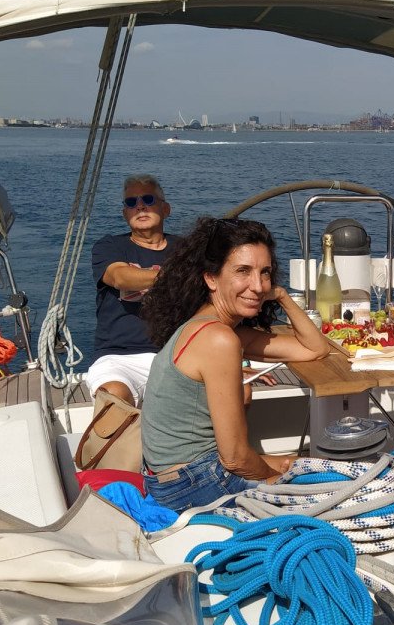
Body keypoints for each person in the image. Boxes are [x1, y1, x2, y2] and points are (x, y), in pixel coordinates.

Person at [139, 216, 332, 510]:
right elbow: (236, 458)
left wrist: (280, 295)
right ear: (211, 278)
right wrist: (279, 482)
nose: (257, 286)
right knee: (327, 486)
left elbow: (315, 349)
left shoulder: (212, 327)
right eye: (243, 271)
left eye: (265, 273)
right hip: (193, 483)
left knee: (315, 468)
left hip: (171, 479)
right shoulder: (219, 340)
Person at [86, 174, 179, 406]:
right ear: (125, 213)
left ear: (165, 209)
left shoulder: (186, 249)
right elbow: (120, 277)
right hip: (119, 358)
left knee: (237, 392)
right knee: (113, 397)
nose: (139, 206)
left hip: (178, 354)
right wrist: (180, 276)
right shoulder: (109, 247)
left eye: (148, 199)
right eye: (131, 203)